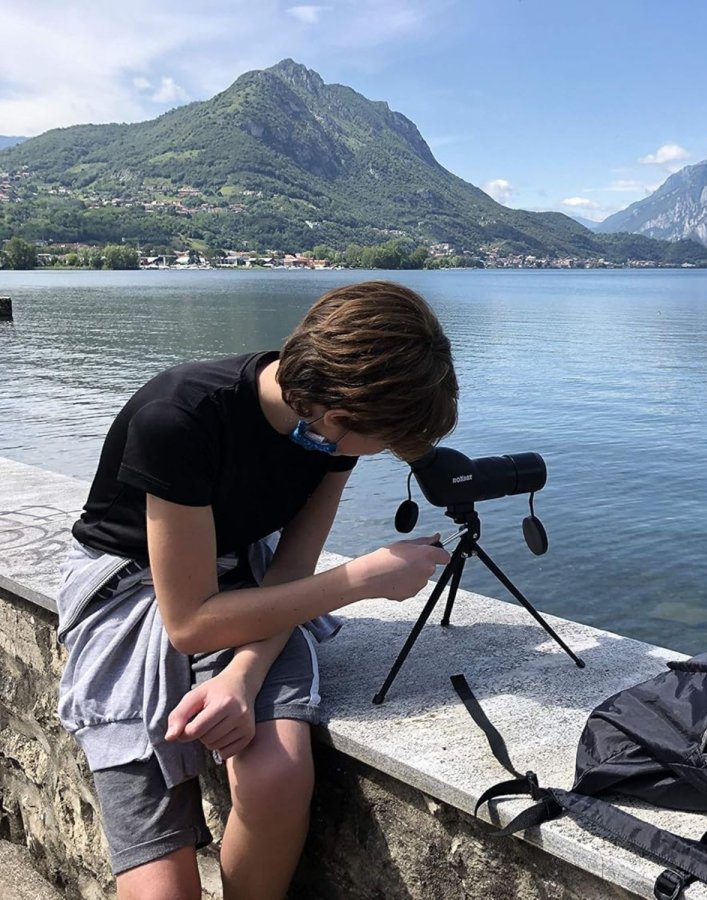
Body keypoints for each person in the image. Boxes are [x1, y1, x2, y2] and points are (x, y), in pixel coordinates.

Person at [56, 280, 457, 899]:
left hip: (248, 585)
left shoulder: (328, 433)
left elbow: (291, 567)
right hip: (128, 595)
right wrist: (363, 580)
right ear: (339, 417)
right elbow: (189, 622)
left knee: (278, 775)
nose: (379, 455)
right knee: (163, 889)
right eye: (379, 445)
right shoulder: (182, 418)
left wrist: (243, 677)